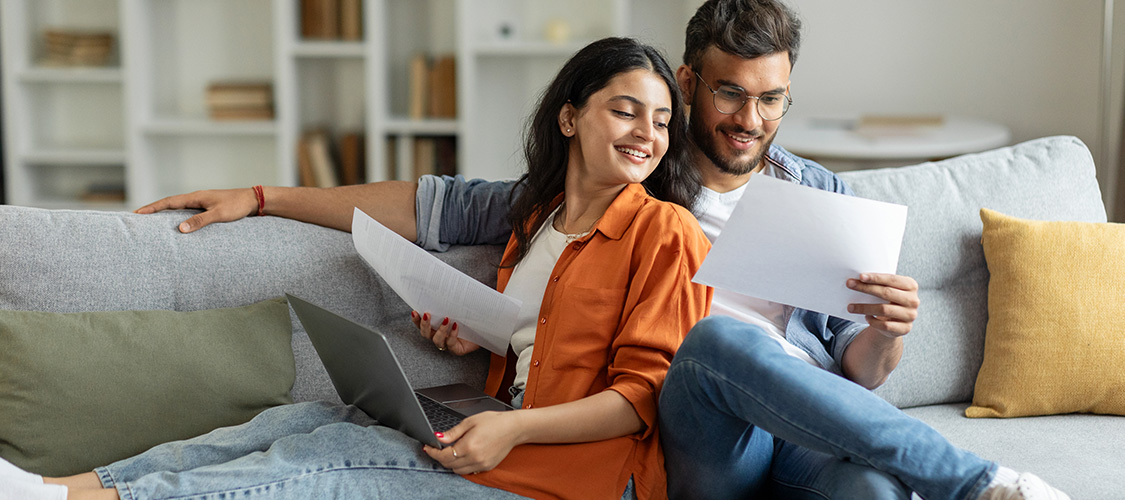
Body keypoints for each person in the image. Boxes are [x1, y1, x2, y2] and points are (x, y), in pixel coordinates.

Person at [129, 3, 1067, 499]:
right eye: (730, 95)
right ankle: (983, 484)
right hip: (696, 434)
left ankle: (972, 491)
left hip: (804, 430)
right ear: (690, 82)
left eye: (772, 99)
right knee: (717, 344)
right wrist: (264, 195)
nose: (750, 120)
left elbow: (855, 379)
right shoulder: (630, 181)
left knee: (869, 488)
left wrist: (887, 335)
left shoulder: (818, 194)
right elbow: (428, 205)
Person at [0, 37, 712, 500]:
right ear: (569, 118)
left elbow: (641, 395)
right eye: (624, 111)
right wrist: (472, 339)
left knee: (334, 455)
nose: (645, 134)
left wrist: (514, 431)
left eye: (658, 121)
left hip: (577, 476)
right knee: (308, 415)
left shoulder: (665, 232)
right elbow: (542, 338)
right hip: (503, 431)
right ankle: (64, 485)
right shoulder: (537, 221)